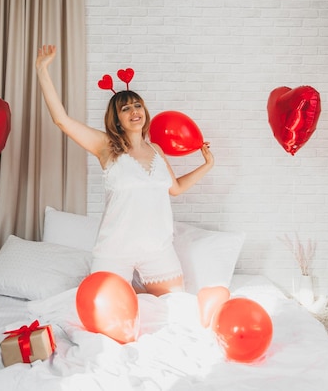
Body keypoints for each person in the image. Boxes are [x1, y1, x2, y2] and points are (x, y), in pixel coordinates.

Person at [36, 45, 214, 296]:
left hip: (157, 250)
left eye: (137, 106)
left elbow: (175, 189)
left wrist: (207, 165)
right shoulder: (106, 147)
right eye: (125, 108)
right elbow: (62, 121)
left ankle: (137, 296)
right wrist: (42, 69)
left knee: (177, 309)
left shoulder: (157, 151)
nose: (134, 112)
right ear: (116, 119)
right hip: (114, 252)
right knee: (105, 317)